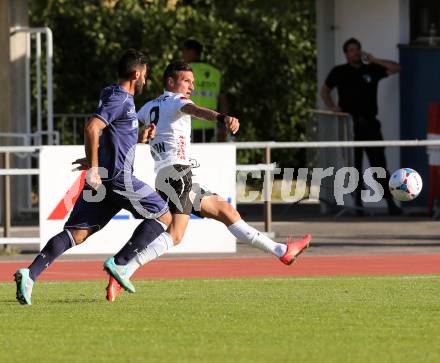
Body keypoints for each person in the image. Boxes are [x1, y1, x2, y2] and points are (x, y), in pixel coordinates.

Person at [104, 61, 312, 302]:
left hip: (169, 176)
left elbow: (125, 132)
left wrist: (122, 145)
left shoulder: (148, 107)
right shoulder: (177, 101)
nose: (191, 86)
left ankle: (282, 252)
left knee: (225, 210)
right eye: (186, 81)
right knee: (176, 234)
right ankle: (124, 269)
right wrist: (223, 117)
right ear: (170, 82)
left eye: (193, 82)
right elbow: (198, 111)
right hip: (177, 173)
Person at [14, 49, 172, 305]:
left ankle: (29, 274)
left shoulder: (114, 94)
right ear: (136, 74)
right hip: (118, 177)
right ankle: (120, 264)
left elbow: (112, 135)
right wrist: (95, 168)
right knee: (164, 215)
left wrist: (138, 138)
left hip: (108, 178)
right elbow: (92, 127)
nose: (146, 80)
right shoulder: (121, 98)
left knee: (76, 233)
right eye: (145, 75)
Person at [320, 37, 402, 215]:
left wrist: (374, 60)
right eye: (351, 50)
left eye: (357, 49)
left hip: (370, 123)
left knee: (378, 164)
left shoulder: (370, 69)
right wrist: (333, 107)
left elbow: (396, 68)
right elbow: (324, 90)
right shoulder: (339, 71)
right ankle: (358, 205)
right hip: (350, 124)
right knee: (353, 166)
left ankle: (390, 202)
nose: (355, 53)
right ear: (346, 53)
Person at [182, 39, 228, 142]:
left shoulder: (184, 71)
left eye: (184, 51)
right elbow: (223, 100)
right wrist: (223, 125)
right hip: (210, 124)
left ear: (191, 52)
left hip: (188, 125)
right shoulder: (215, 72)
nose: (182, 55)